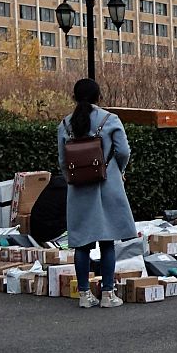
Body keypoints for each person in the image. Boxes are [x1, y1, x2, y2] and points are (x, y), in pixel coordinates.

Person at [57, 78, 137, 309]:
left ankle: (84, 295)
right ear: (98, 97)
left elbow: (63, 160)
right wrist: (117, 171)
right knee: (107, 240)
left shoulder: (65, 124)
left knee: (81, 243)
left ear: (74, 97)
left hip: (79, 188)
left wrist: (74, 176)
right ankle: (108, 294)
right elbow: (123, 151)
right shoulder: (109, 120)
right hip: (107, 185)